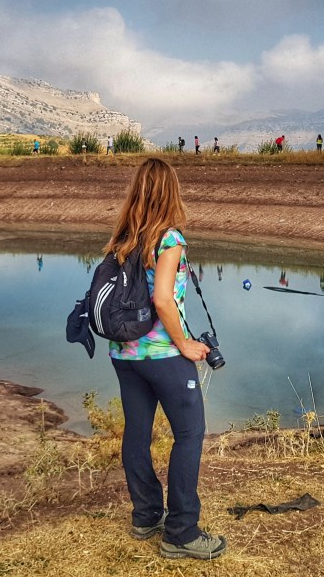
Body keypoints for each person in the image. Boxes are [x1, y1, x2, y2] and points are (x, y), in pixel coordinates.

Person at [103, 158, 225, 560]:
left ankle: (146, 515)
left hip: (125, 354)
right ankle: (181, 532)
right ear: (170, 191)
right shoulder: (169, 240)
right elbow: (162, 300)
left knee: (137, 432)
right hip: (163, 355)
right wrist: (187, 344)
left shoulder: (123, 238)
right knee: (189, 434)